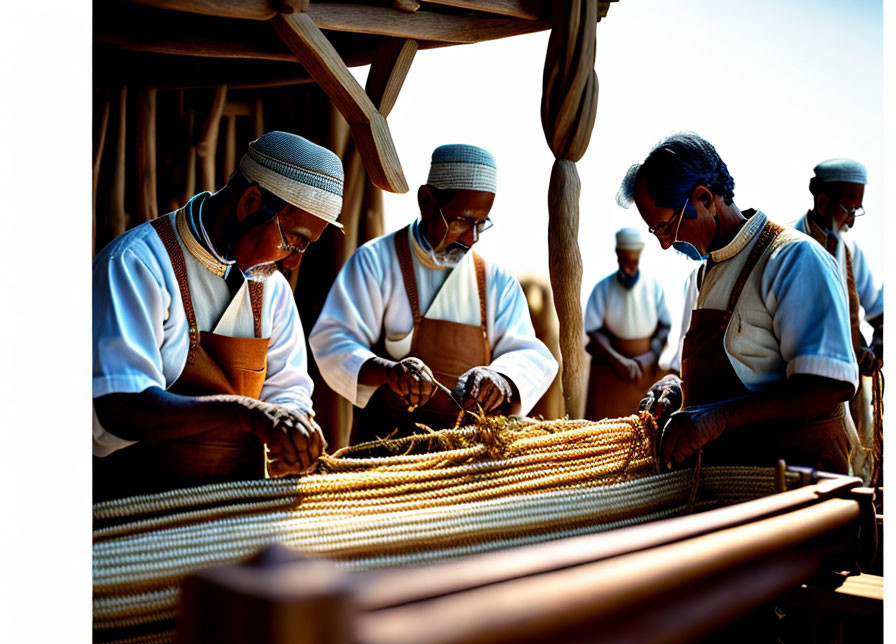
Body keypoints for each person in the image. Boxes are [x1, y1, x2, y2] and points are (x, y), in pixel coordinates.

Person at [93, 131, 342, 499]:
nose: (292, 262)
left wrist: (294, 428)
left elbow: (288, 392)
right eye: (293, 241)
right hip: (135, 506)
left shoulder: (271, 289)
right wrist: (243, 412)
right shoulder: (137, 264)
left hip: (234, 509)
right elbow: (120, 405)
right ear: (250, 203)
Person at [620, 132, 857, 476]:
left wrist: (716, 419)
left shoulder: (793, 259)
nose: (665, 244)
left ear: (703, 198)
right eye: (656, 232)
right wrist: (676, 390)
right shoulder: (705, 275)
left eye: (667, 226)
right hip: (728, 482)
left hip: (793, 486)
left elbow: (829, 385)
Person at [309, 144, 558, 442]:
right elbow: (332, 341)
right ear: (426, 201)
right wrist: (390, 372)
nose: (472, 238)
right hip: (383, 458)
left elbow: (530, 353)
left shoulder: (496, 282)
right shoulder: (374, 262)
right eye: (462, 221)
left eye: (481, 224)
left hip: (465, 461)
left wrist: (501, 380)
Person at [792, 158, 882, 376]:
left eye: (856, 211)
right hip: (801, 382)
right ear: (822, 203)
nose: (851, 222)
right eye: (849, 210)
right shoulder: (787, 248)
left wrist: (878, 348)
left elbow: (880, 310)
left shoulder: (849, 250)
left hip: (848, 381)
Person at [584, 227, 671, 420]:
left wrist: (649, 356)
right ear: (618, 257)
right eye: (625, 262)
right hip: (609, 373)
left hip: (644, 373)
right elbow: (594, 331)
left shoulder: (653, 287)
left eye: (634, 262)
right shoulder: (603, 289)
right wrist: (617, 359)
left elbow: (664, 326)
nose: (629, 268)